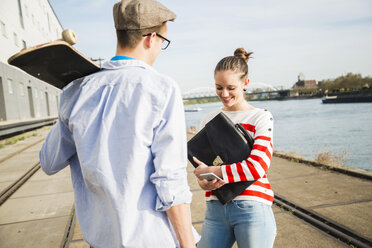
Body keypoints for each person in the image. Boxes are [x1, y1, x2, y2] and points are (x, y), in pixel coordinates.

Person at [39, 0, 199, 247]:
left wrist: (68, 107)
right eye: (162, 43)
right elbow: (170, 181)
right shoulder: (161, 89)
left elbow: (49, 162)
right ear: (150, 38)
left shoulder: (76, 90)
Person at [193, 48, 277, 248]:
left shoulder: (261, 117)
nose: (224, 94)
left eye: (231, 87)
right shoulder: (208, 120)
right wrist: (204, 182)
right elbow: (202, 168)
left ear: (246, 83)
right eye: (219, 87)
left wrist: (213, 171)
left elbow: (257, 167)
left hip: (252, 207)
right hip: (215, 208)